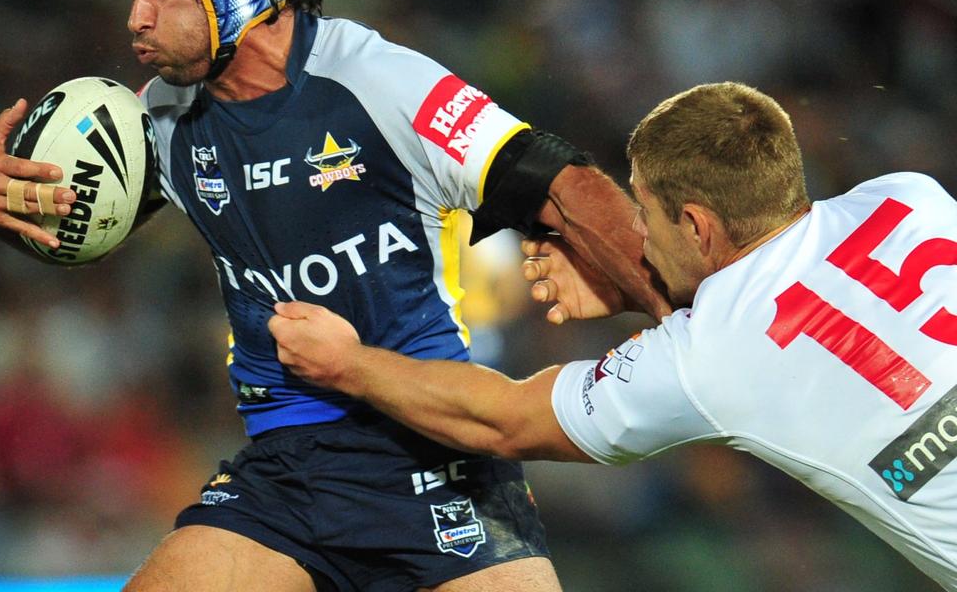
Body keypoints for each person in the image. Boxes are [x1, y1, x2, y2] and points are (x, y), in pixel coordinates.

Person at [0, 0, 671, 591]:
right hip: (284, 475)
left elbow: (564, 182)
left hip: (433, 453)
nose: (135, 18)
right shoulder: (158, 119)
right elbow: (71, 234)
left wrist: (681, 314)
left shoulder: (379, 81)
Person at [270, 82, 957, 591]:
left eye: (646, 215)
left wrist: (349, 364)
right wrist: (644, 294)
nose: (639, 237)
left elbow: (503, 421)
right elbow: (790, 310)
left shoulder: (708, 358)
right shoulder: (910, 197)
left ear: (696, 226)